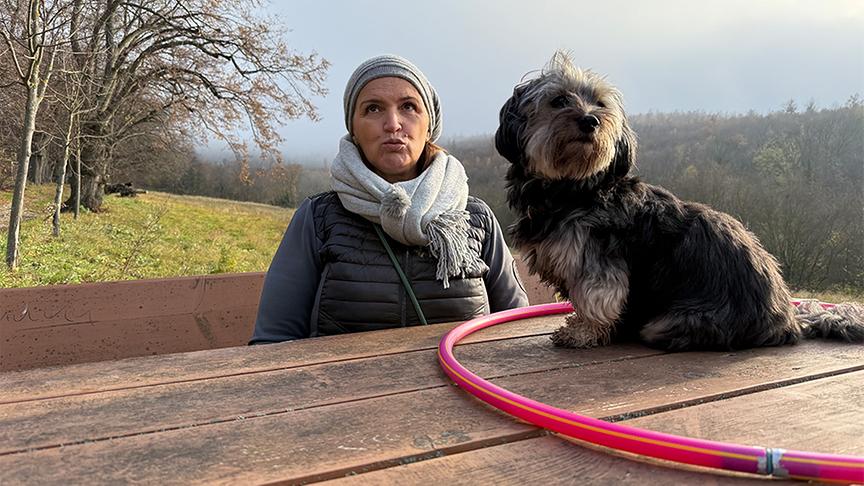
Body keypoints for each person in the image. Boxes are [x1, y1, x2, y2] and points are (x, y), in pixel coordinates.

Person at [250, 54, 528, 344]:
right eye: (373, 108)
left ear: (429, 125)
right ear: (354, 129)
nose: (393, 124)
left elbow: (518, 331)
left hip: (462, 375)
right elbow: (273, 342)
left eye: (408, 107)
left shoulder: (476, 219)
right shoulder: (317, 218)